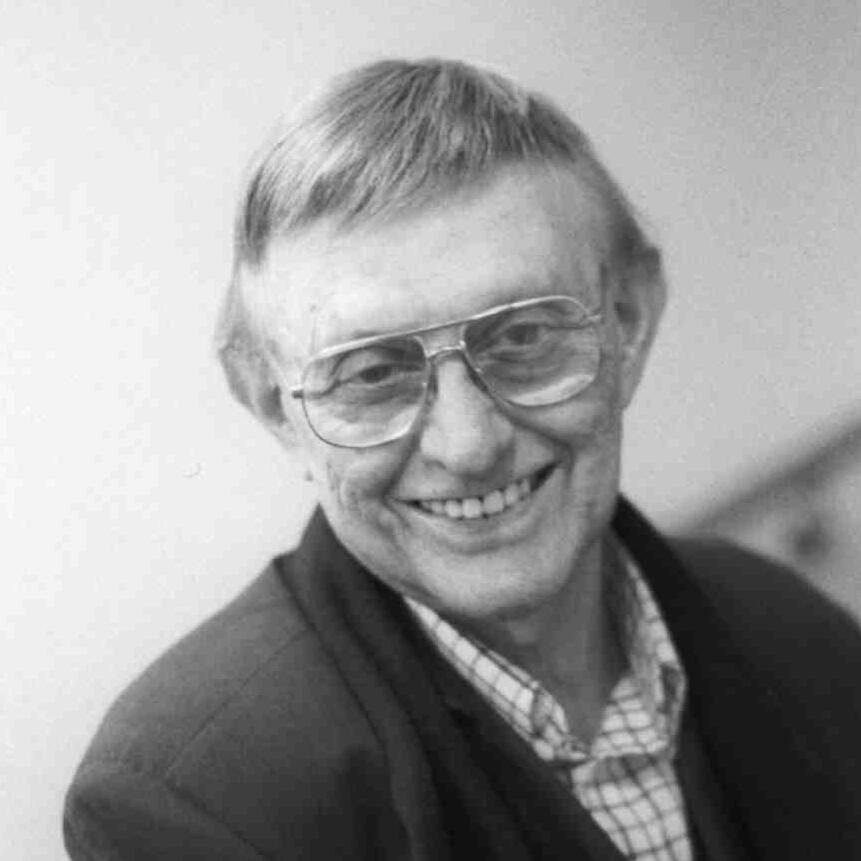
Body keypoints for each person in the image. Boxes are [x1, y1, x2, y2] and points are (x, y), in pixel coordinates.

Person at [64, 58, 861, 860]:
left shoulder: (786, 627)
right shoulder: (198, 803)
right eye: (371, 373)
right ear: (276, 409)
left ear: (628, 321)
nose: (469, 444)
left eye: (523, 335)